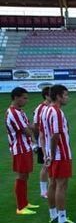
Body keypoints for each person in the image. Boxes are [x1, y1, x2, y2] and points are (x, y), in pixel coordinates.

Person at [45, 85, 76, 223]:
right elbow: (55, 135)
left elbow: (45, 133)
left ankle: (53, 215)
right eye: (65, 95)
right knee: (61, 185)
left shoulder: (47, 110)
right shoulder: (57, 112)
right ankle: (62, 219)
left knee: (53, 183)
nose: (67, 98)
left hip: (53, 153)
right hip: (60, 154)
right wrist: (53, 154)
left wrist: (49, 153)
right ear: (58, 96)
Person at [6, 87, 39, 215]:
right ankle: (20, 207)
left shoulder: (19, 111)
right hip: (19, 149)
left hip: (25, 147)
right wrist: (35, 142)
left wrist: (39, 127)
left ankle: (24, 202)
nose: (26, 100)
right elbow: (26, 130)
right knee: (21, 176)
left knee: (25, 175)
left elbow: (29, 125)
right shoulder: (13, 113)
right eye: (24, 98)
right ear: (16, 98)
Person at [32, 86, 51, 199]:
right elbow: (35, 125)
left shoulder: (51, 107)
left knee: (50, 165)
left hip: (49, 141)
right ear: (46, 96)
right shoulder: (41, 108)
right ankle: (43, 191)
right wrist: (39, 140)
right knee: (45, 165)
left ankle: (49, 189)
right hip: (43, 142)